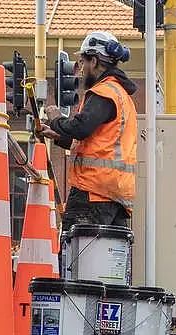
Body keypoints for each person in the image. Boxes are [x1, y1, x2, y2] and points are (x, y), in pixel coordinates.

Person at [37, 31, 137, 230]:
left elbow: (81, 127)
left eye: (83, 62)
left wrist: (56, 118)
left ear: (95, 60)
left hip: (92, 191)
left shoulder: (104, 92)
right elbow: (95, 142)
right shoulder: (121, 96)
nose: (81, 69)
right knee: (109, 258)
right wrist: (58, 136)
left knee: (76, 256)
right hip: (114, 196)